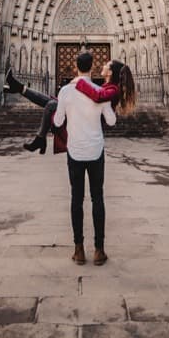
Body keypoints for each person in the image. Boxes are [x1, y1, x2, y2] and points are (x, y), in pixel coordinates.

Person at [54, 51, 116, 265]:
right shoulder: (100, 91)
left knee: (76, 199)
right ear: (92, 67)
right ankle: (99, 250)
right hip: (96, 151)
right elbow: (111, 122)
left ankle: (78, 249)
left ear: (75, 66)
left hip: (75, 151)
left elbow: (58, 119)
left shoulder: (65, 92)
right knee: (97, 198)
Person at [4, 57, 136, 154]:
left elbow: (97, 97)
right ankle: (19, 88)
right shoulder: (108, 87)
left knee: (51, 105)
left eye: (107, 65)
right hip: (82, 113)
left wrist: (79, 82)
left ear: (110, 72)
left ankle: (40, 138)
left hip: (86, 121)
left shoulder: (113, 90)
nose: (103, 66)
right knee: (50, 101)